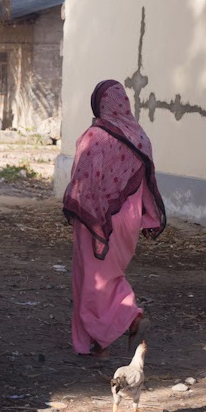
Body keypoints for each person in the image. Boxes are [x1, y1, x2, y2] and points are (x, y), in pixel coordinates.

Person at [63, 80, 167, 357]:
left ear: (98, 103)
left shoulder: (94, 136)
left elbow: (81, 183)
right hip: (129, 222)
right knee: (109, 275)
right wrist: (149, 218)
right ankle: (96, 341)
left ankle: (129, 318)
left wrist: (76, 208)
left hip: (96, 221)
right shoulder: (139, 136)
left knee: (92, 279)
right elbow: (146, 182)